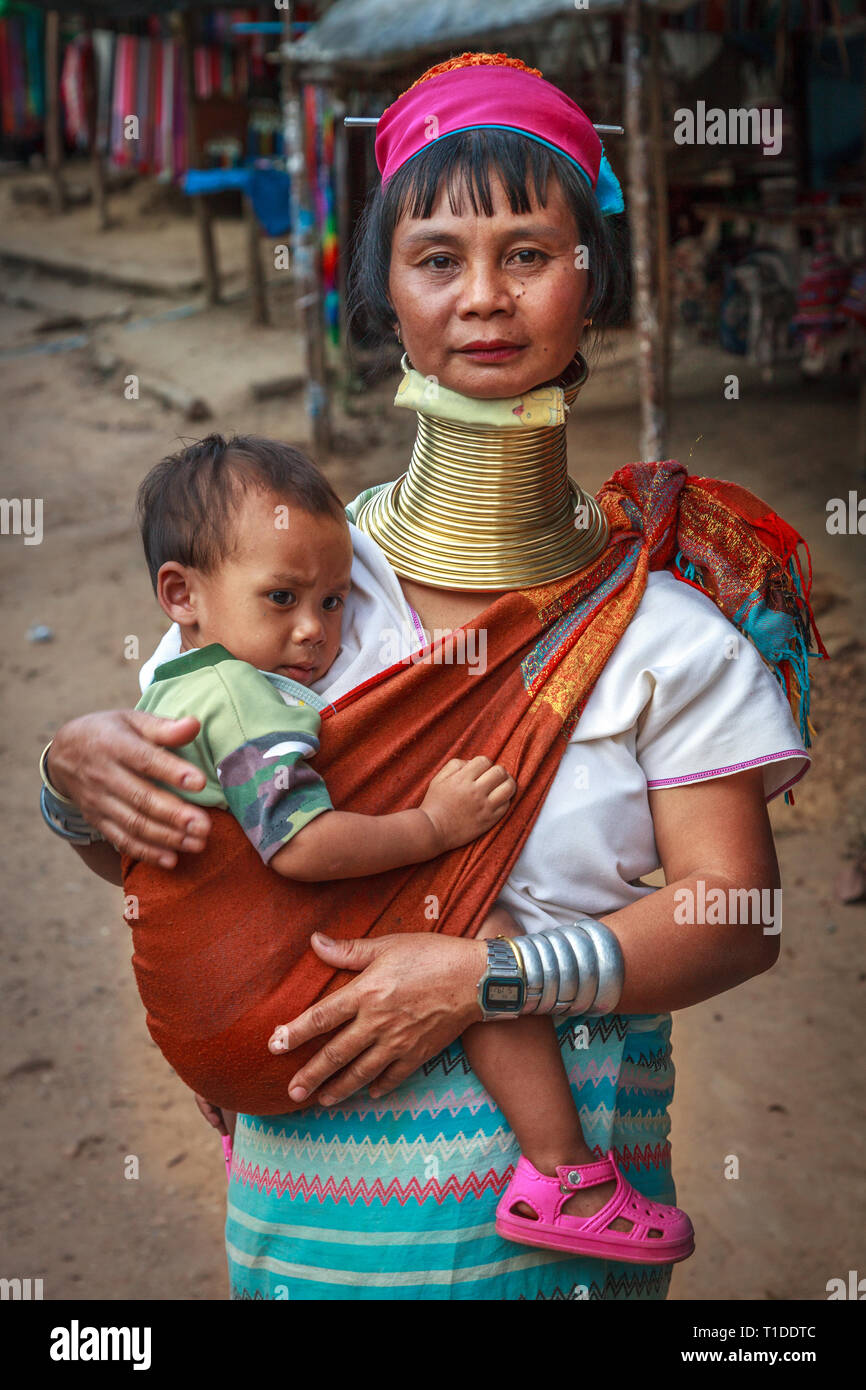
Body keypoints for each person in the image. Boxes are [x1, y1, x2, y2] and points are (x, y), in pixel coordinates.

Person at [40, 52, 824, 1300]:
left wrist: (486, 974)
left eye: (529, 252)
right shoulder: (284, 595)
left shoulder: (668, 634)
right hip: (310, 1233)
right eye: (438, 257)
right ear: (383, 290)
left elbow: (737, 917)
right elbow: (171, 853)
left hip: (560, 1239)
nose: (484, 298)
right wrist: (72, 779)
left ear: (592, 279)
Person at [130, 429, 695, 1265]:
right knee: (481, 929)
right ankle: (563, 1175)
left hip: (217, 1026)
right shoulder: (244, 699)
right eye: (281, 598)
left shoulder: (171, 687)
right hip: (259, 992)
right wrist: (433, 828)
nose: (315, 631)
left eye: (333, 601)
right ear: (181, 593)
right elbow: (298, 845)